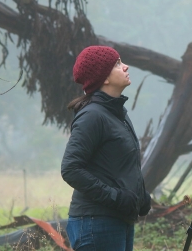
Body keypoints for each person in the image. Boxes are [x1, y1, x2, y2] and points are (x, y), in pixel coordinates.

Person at [61, 45, 151, 251]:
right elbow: (70, 169)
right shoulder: (93, 115)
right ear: (105, 78)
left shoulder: (116, 112)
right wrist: (116, 197)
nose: (126, 67)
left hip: (117, 220)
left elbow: (117, 164)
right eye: (118, 63)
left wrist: (140, 196)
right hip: (96, 223)